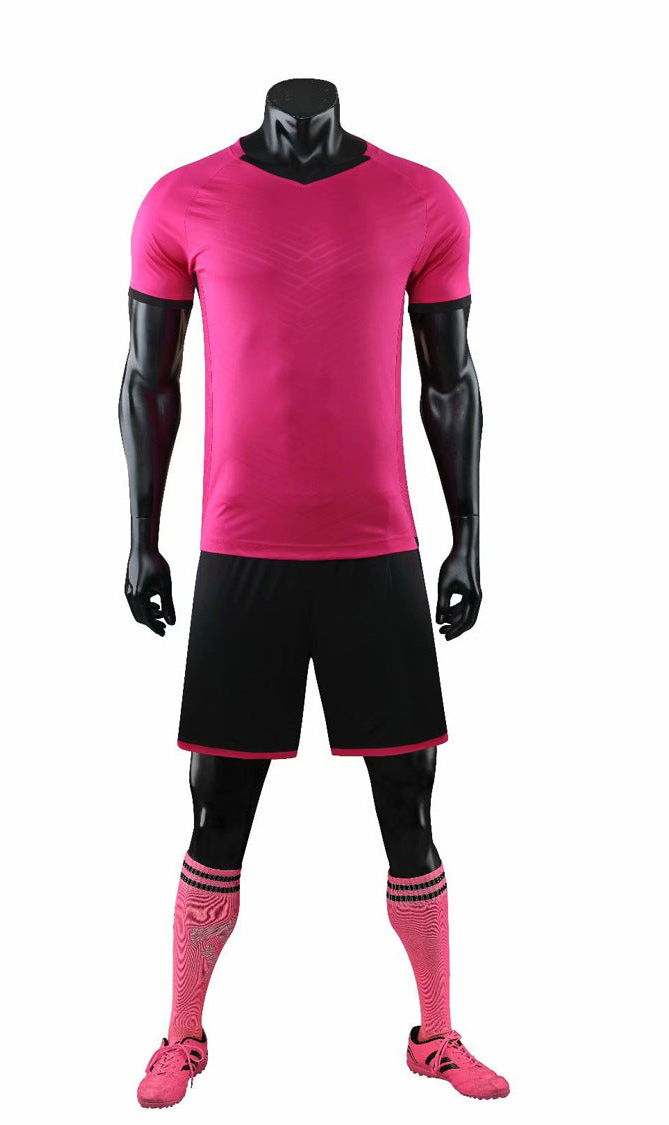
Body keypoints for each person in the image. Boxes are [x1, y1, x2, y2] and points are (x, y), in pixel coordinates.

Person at [119, 78, 508, 1107]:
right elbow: (147, 380)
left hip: (376, 550)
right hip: (240, 549)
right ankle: (181, 1034)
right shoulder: (182, 201)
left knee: (411, 803)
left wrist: (468, 536)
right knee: (217, 808)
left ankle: (436, 1033)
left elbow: (451, 380)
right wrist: (141, 539)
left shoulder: (422, 200)